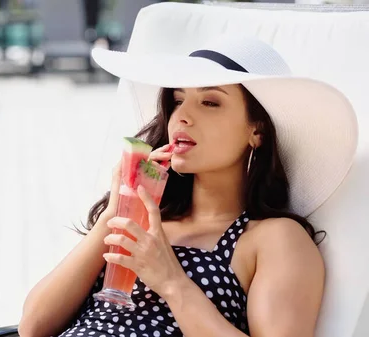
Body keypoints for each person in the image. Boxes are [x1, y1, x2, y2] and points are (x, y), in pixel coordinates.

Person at [18, 35, 358, 337]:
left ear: (257, 131)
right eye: (178, 100)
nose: (182, 116)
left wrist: (171, 281)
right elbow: (32, 326)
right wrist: (116, 210)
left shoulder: (272, 238)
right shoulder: (145, 219)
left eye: (210, 102)